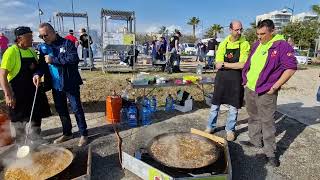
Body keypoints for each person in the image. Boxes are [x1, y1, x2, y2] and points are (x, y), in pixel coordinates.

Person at [241, 19, 297, 167]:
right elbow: (250, 63)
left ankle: (270, 153)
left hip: (267, 90)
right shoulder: (256, 44)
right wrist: (246, 80)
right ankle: (255, 141)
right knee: (253, 117)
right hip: (250, 88)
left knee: (267, 122)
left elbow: (291, 68)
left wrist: (276, 86)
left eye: (263, 34)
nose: (260, 37)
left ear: (272, 31)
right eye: (258, 34)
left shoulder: (281, 46)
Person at [38, 23, 88, 147]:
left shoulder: (67, 43)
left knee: (76, 108)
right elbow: (42, 65)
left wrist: (53, 60)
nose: (43, 38)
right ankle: (67, 133)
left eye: (45, 35)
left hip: (70, 83)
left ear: (53, 32)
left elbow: (73, 59)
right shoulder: (43, 47)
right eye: (41, 36)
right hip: (55, 85)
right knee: (61, 110)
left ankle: (83, 134)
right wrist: (37, 74)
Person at [0, 26, 51, 144]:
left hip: (33, 89)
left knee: (36, 114)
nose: (31, 39)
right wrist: (8, 95)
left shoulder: (31, 51)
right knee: (19, 118)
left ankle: (36, 138)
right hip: (17, 91)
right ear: (19, 38)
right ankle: (21, 143)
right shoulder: (11, 52)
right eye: (29, 37)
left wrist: (37, 74)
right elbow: (2, 75)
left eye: (31, 36)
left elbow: (37, 68)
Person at [205, 20, 250, 142]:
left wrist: (225, 64)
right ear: (230, 30)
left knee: (234, 106)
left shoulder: (244, 43)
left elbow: (243, 64)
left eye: (241, 29)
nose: (239, 32)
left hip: (236, 79)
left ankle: (230, 129)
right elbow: (218, 64)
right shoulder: (223, 43)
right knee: (215, 105)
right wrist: (230, 64)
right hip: (222, 78)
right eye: (236, 30)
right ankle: (210, 126)